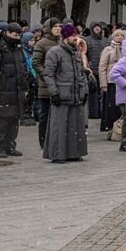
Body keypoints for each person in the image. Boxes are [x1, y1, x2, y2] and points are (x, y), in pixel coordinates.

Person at [42, 24, 89, 163]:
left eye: (76, 35)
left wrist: (84, 90)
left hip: (76, 94)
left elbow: (81, 73)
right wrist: (54, 92)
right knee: (60, 127)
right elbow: (49, 74)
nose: (76, 38)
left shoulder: (77, 53)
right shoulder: (54, 52)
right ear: (65, 37)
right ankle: (58, 154)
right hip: (62, 94)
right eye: (72, 35)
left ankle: (74, 153)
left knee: (76, 126)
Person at [0, 23, 29, 158]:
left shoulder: (18, 48)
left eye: (19, 35)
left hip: (16, 89)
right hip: (3, 88)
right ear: (7, 33)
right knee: (0, 120)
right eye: (15, 35)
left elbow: (23, 68)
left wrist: (24, 87)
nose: (17, 38)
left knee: (13, 120)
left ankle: (10, 145)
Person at [33, 18, 61, 148]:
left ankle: (55, 140)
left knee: (58, 116)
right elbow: (36, 63)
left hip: (61, 84)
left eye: (59, 26)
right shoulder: (42, 43)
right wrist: (45, 75)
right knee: (45, 115)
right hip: (46, 86)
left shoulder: (62, 42)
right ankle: (43, 142)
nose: (58, 28)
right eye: (55, 26)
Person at [98, 29, 125, 132]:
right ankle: (108, 125)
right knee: (110, 105)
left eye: (121, 35)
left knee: (119, 105)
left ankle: (118, 125)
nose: (119, 37)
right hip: (111, 81)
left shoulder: (125, 49)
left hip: (122, 81)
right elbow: (102, 67)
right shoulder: (108, 49)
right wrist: (103, 83)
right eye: (117, 35)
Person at [84, 22, 108, 119]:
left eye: (99, 28)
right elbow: (85, 54)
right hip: (92, 70)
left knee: (103, 93)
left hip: (102, 69)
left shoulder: (105, 40)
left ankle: (102, 112)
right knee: (93, 93)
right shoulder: (87, 40)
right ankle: (93, 113)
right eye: (95, 28)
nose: (97, 29)